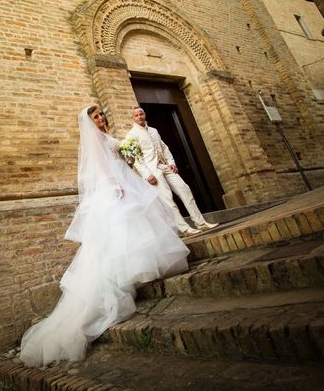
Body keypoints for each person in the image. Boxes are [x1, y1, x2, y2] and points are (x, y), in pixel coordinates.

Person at [19, 105, 190, 367]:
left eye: (101, 115)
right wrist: (115, 185)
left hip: (124, 179)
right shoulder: (95, 139)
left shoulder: (107, 135)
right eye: (95, 116)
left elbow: (121, 157)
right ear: (89, 122)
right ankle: (126, 277)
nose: (101, 118)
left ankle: (140, 270)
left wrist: (130, 159)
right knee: (122, 230)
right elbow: (101, 166)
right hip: (115, 186)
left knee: (134, 227)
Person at [126, 107, 218, 236]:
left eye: (141, 114)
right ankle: (184, 229)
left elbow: (164, 148)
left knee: (184, 189)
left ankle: (200, 223)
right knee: (168, 199)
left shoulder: (154, 131)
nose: (140, 116)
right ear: (133, 118)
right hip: (153, 171)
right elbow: (135, 158)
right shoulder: (131, 135)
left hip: (165, 166)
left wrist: (171, 162)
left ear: (144, 114)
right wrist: (147, 175)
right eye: (136, 115)